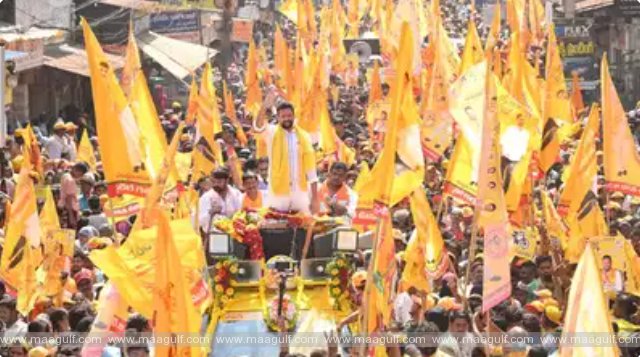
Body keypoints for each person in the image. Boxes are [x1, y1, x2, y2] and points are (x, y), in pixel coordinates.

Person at [253, 91, 319, 215]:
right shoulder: (271, 133)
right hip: (278, 194)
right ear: (278, 118)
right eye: (283, 116)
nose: (287, 119)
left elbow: (311, 171)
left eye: (289, 115)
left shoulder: (304, 136)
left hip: (299, 193)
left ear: (294, 116)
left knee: (303, 229)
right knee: (277, 228)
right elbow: (257, 126)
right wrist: (265, 106)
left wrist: (315, 198)